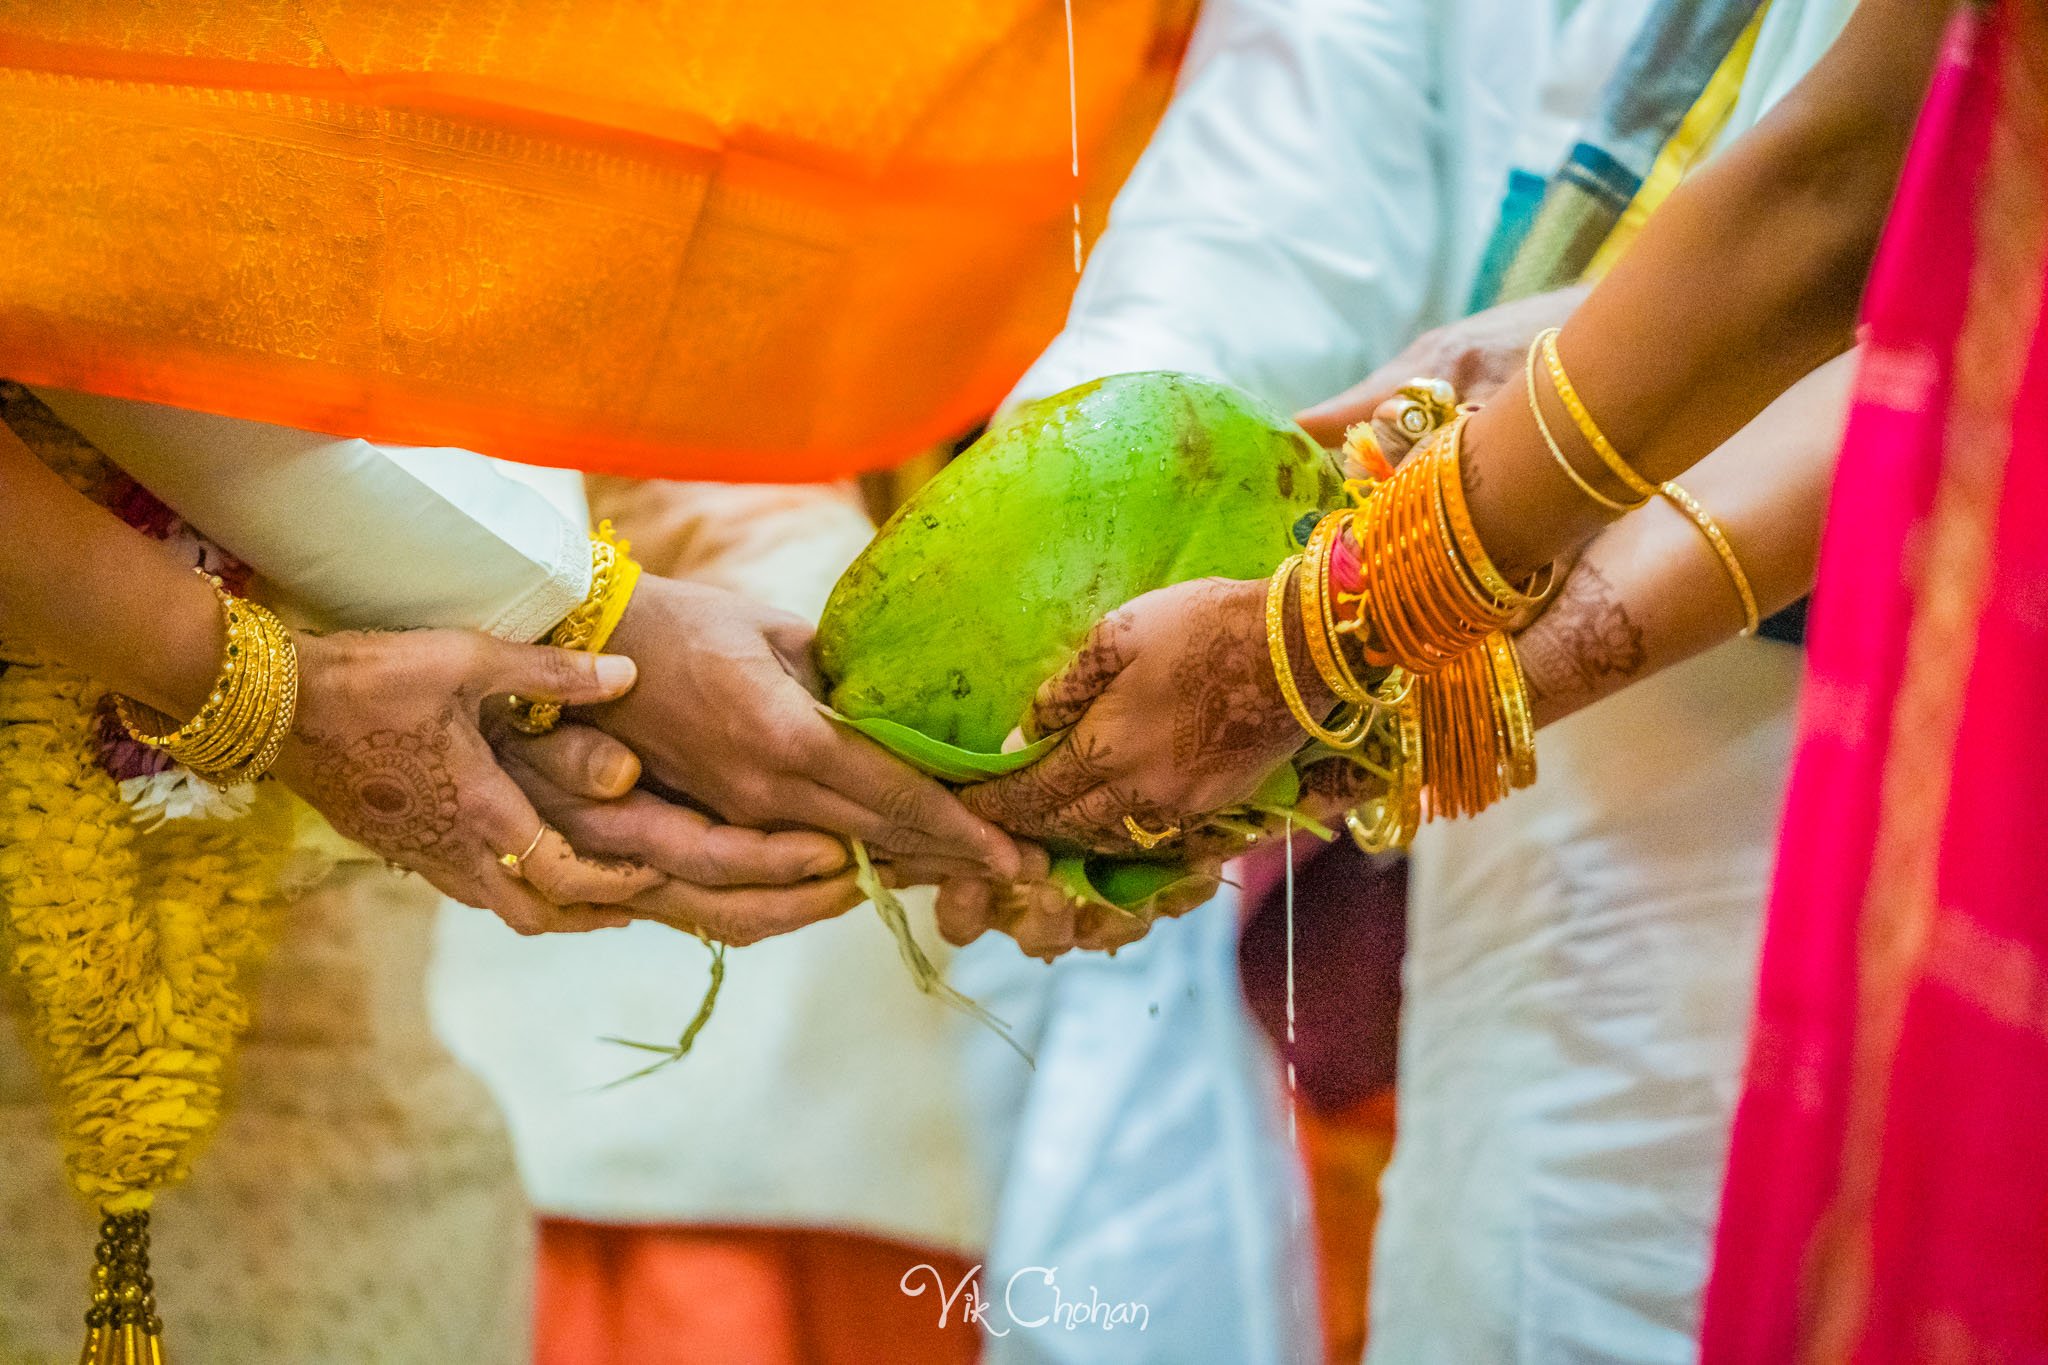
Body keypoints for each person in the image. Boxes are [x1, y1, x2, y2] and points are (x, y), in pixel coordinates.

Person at [929, 0, 1662, 1359]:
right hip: (1500, 840)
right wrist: (1044, 576)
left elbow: (1852, 244)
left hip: (1892, 709)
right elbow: (1281, 172)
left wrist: (1314, 659)